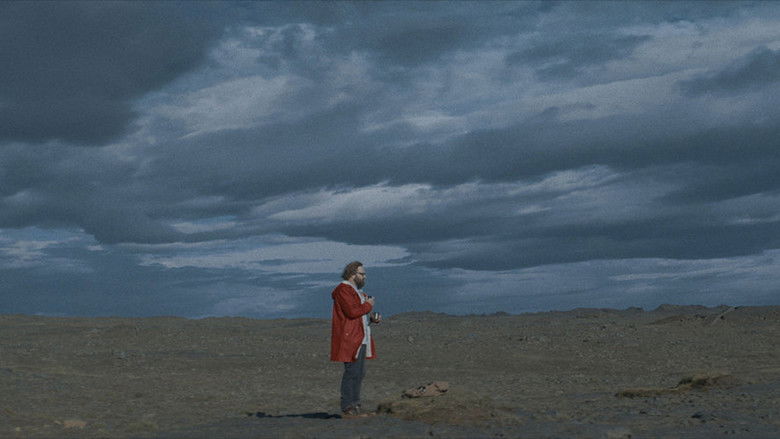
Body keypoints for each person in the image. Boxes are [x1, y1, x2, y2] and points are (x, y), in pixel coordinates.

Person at [330, 261, 382, 418]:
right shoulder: (343, 290)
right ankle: (348, 407)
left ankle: (355, 405)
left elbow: (358, 314)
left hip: (360, 336)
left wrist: (371, 319)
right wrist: (368, 305)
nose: (364, 277)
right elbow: (352, 312)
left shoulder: (356, 292)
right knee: (352, 372)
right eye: (362, 274)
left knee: (359, 372)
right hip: (350, 338)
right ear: (352, 274)